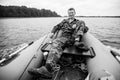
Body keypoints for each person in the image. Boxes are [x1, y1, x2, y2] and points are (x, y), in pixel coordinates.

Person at [28, 8, 89, 79]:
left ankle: (77, 42)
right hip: (64, 38)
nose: (71, 14)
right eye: (69, 13)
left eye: (72, 13)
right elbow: (56, 26)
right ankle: (48, 68)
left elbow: (85, 29)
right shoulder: (64, 21)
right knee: (56, 42)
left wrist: (78, 29)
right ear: (68, 13)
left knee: (82, 22)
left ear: (75, 13)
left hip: (73, 38)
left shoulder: (78, 22)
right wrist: (52, 32)